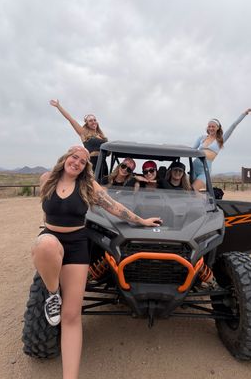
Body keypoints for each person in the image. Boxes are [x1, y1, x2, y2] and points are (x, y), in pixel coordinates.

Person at [31, 146, 162, 379]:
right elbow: (46, 211)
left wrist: (141, 221)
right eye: (74, 157)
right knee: (45, 245)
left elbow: (115, 207)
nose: (77, 163)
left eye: (82, 161)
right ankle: (53, 294)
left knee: (71, 316)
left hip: (77, 244)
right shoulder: (46, 179)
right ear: (65, 158)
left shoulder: (88, 186)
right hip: (51, 238)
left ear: (85, 167)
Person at [192, 108, 251, 191]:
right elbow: (191, 150)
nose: (211, 128)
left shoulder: (220, 140)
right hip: (194, 166)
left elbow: (233, 125)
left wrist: (245, 113)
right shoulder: (202, 138)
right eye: (209, 126)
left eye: (213, 126)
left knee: (193, 189)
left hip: (205, 169)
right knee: (189, 191)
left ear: (218, 128)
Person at [49, 99, 108, 172]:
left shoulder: (102, 136)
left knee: (104, 182)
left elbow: (108, 152)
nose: (93, 122)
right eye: (90, 120)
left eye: (94, 120)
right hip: (93, 164)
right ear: (87, 123)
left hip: (103, 164)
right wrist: (58, 106)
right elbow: (70, 119)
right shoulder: (84, 133)